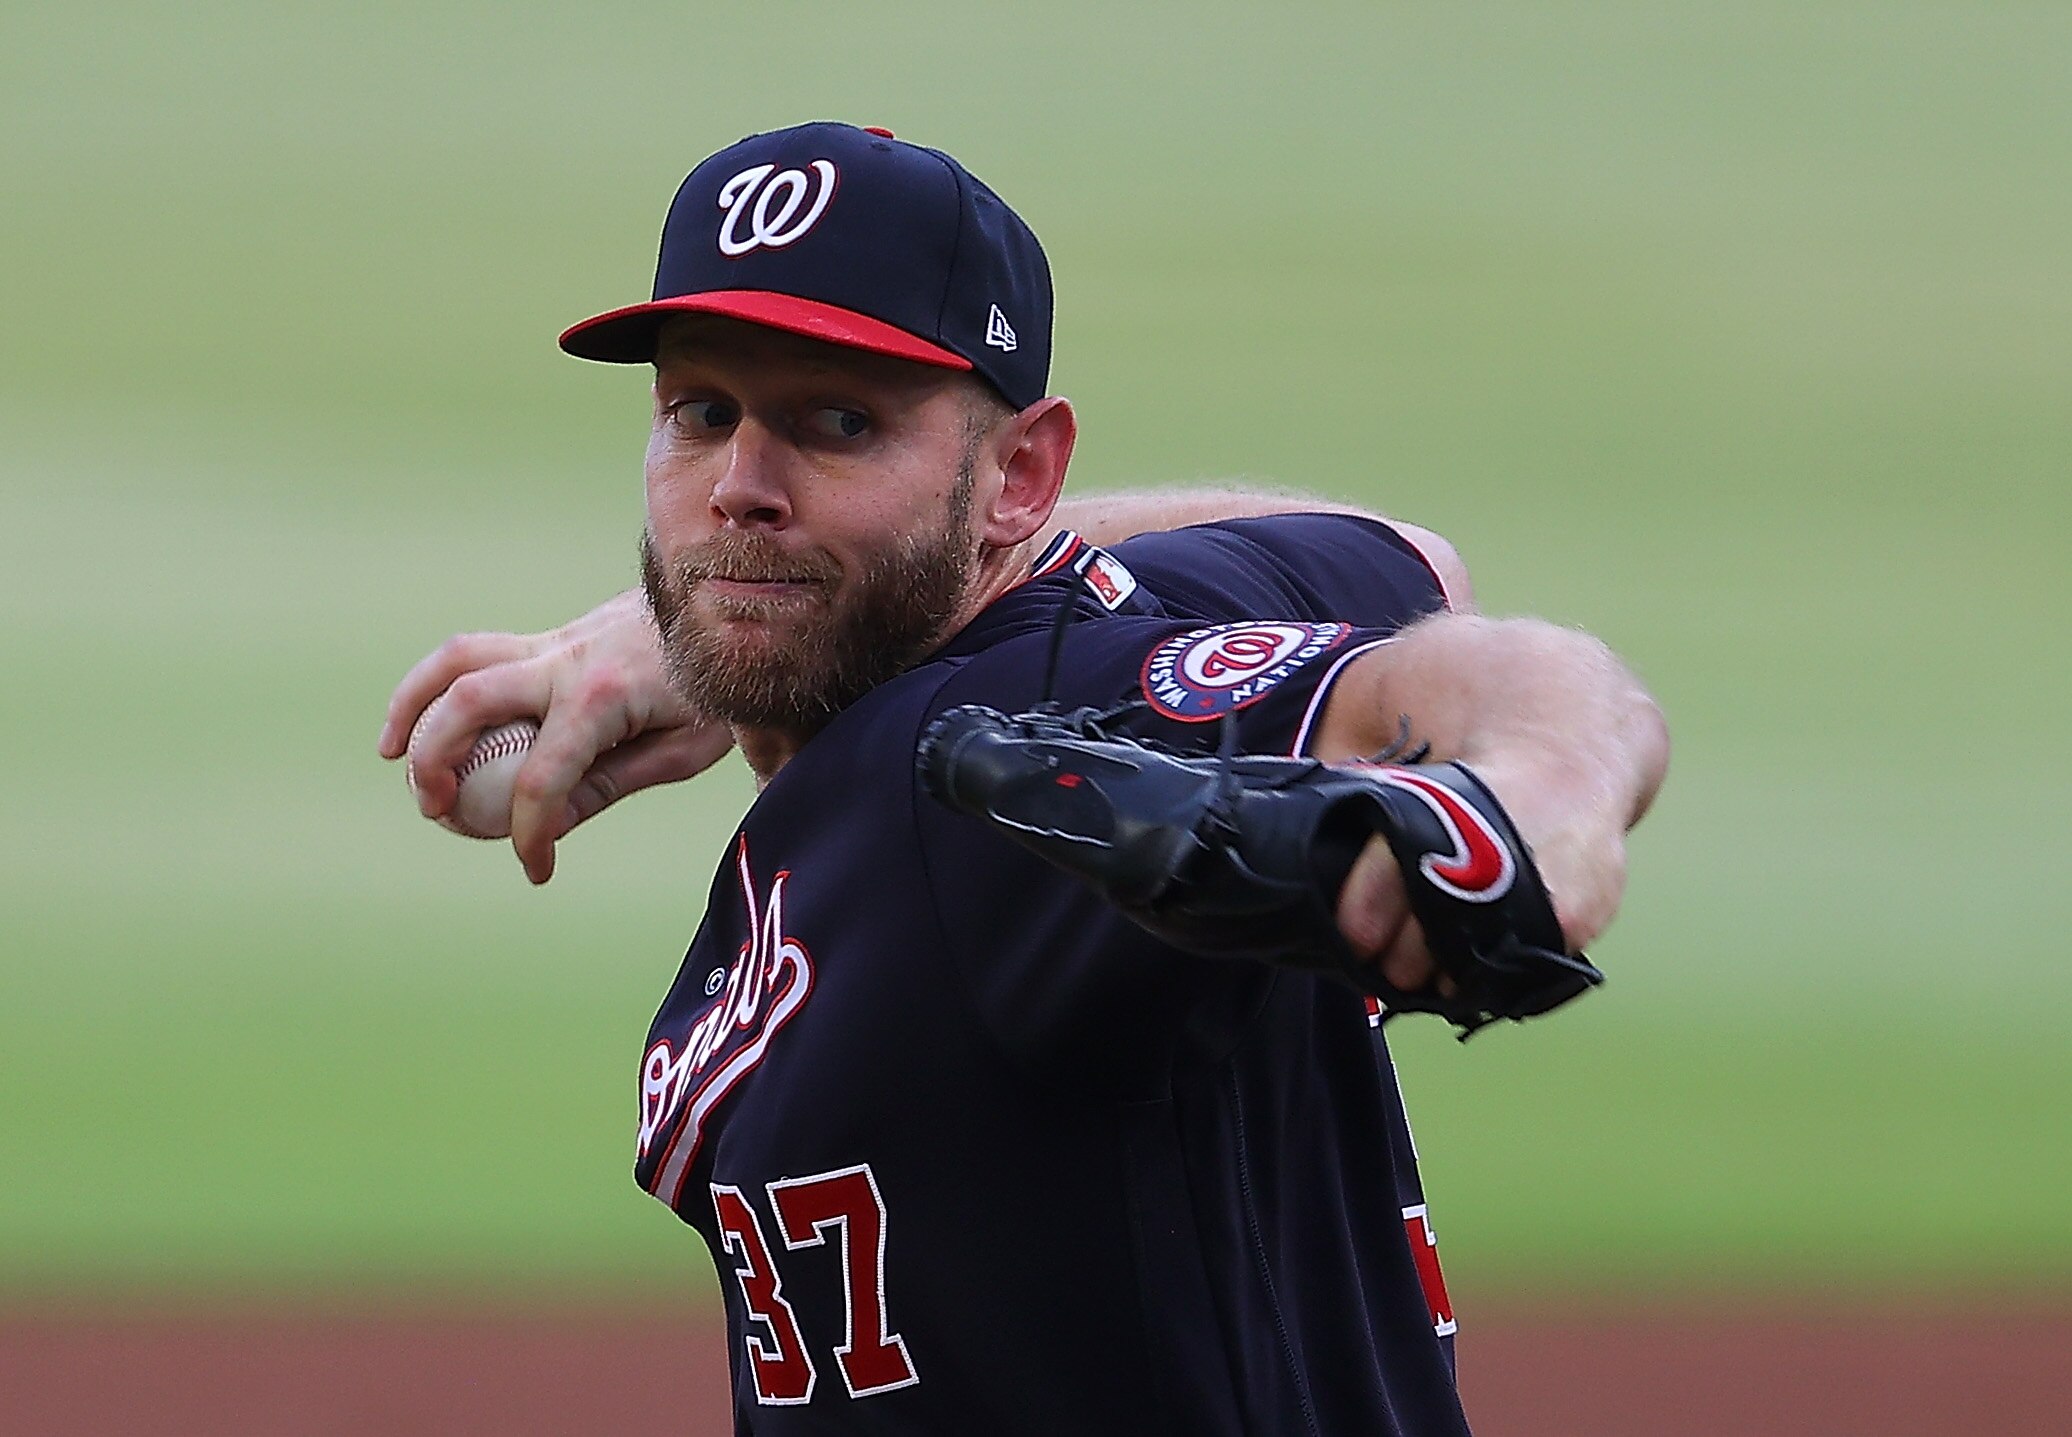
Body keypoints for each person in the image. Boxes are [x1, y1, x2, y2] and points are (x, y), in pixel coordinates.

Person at [380, 122, 1668, 1435]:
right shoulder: (1126, 609)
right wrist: (686, 628)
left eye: (838, 422)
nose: (741, 490)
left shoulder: (990, 765)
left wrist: (1542, 795)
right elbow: (1409, 561)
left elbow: (1506, 671)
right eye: (702, 413)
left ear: (1022, 475)